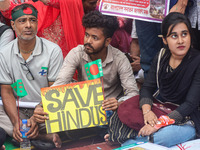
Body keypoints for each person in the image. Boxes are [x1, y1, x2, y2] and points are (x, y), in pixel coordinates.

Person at [33, 10, 139, 138]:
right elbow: (60, 83)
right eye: (87, 35)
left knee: (126, 115)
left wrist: (118, 103)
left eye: (95, 38)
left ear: (107, 41)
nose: (88, 41)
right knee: (41, 120)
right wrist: (40, 107)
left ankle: (103, 131)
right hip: (84, 111)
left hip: (109, 112)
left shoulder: (120, 58)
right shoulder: (77, 53)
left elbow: (133, 93)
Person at [121, 12, 200, 147]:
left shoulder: (197, 61)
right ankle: (134, 137)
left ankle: (127, 137)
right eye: (174, 36)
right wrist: (147, 112)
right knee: (122, 104)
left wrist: (158, 124)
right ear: (164, 39)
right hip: (162, 108)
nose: (180, 41)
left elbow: (190, 104)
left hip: (187, 118)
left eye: (184, 34)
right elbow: (147, 88)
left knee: (163, 137)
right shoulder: (162, 56)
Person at [0, 3, 63, 149]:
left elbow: (54, 91)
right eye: (22, 21)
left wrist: (36, 117)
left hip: (44, 110)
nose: (28, 25)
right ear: (13, 25)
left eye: (32, 20)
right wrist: (16, 122)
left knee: (66, 115)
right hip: (18, 110)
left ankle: (23, 135)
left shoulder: (53, 51)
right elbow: (6, 91)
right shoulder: (4, 54)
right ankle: (40, 136)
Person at [0, 0, 98, 57]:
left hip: (68, 56)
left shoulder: (68, 2)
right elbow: (11, 11)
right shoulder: (31, 5)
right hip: (40, 60)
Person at [135, 0, 188, 77]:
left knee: (176, 57)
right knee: (148, 61)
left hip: (171, 5)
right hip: (142, 8)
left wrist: (182, 3)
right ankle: (152, 88)